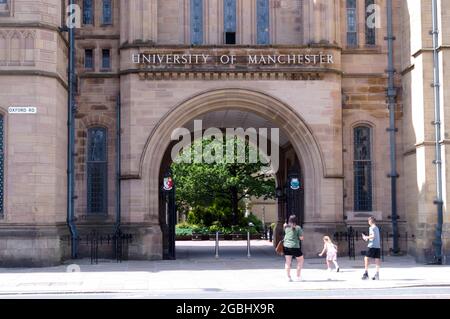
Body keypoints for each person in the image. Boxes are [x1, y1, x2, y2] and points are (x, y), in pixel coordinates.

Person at [283, 215, 304, 282]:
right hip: (295, 246)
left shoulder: (286, 227)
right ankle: (298, 276)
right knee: (300, 260)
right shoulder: (298, 228)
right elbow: (301, 238)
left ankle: (288, 277)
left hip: (286, 246)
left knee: (287, 262)